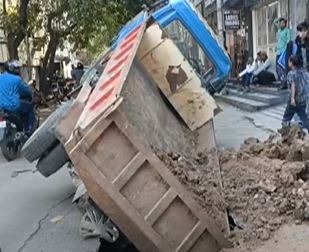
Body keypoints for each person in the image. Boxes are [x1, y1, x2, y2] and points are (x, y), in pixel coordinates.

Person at [0, 61, 36, 135]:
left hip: (1, 108)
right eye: (17, 68)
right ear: (12, 69)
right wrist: (30, 94)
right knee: (29, 107)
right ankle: (29, 131)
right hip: (14, 107)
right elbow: (27, 91)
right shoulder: (17, 79)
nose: (19, 70)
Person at [282, 55, 309, 130]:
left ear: (291, 63)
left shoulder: (291, 74)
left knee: (286, 117)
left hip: (295, 100)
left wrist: (292, 98)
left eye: (289, 61)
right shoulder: (305, 72)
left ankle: (284, 135)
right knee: (304, 117)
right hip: (303, 100)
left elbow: (293, 85)